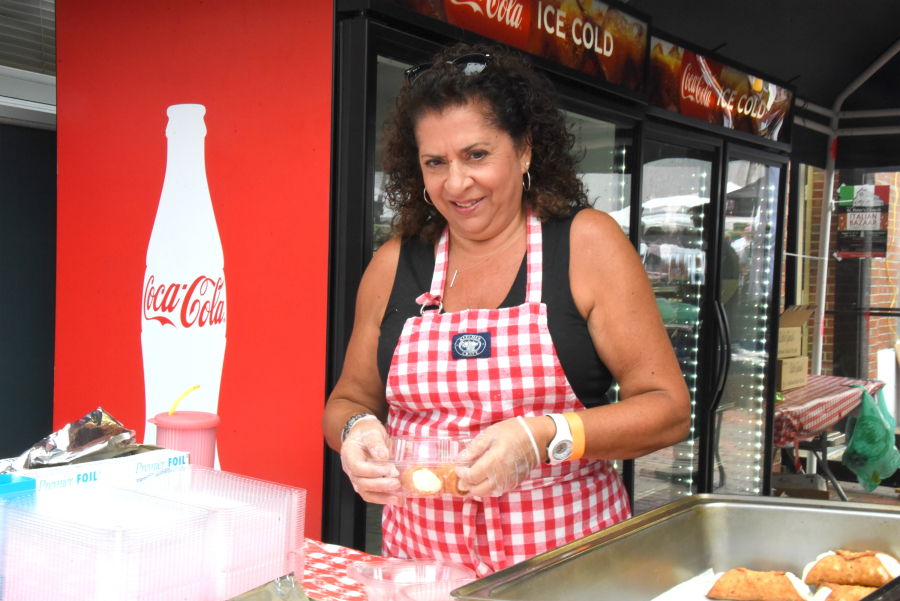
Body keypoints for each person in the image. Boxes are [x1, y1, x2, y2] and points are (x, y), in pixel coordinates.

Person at [321, 43, 691, 576]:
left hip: (566, 570)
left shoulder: (586, 246)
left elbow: (668, 409)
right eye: (435, 162)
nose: (455, 183)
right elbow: (348, 400)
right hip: (423, 574)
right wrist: (356, 431)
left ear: (524, 150)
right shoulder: (395, 264)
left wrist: (542, 437)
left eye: (477, 155)